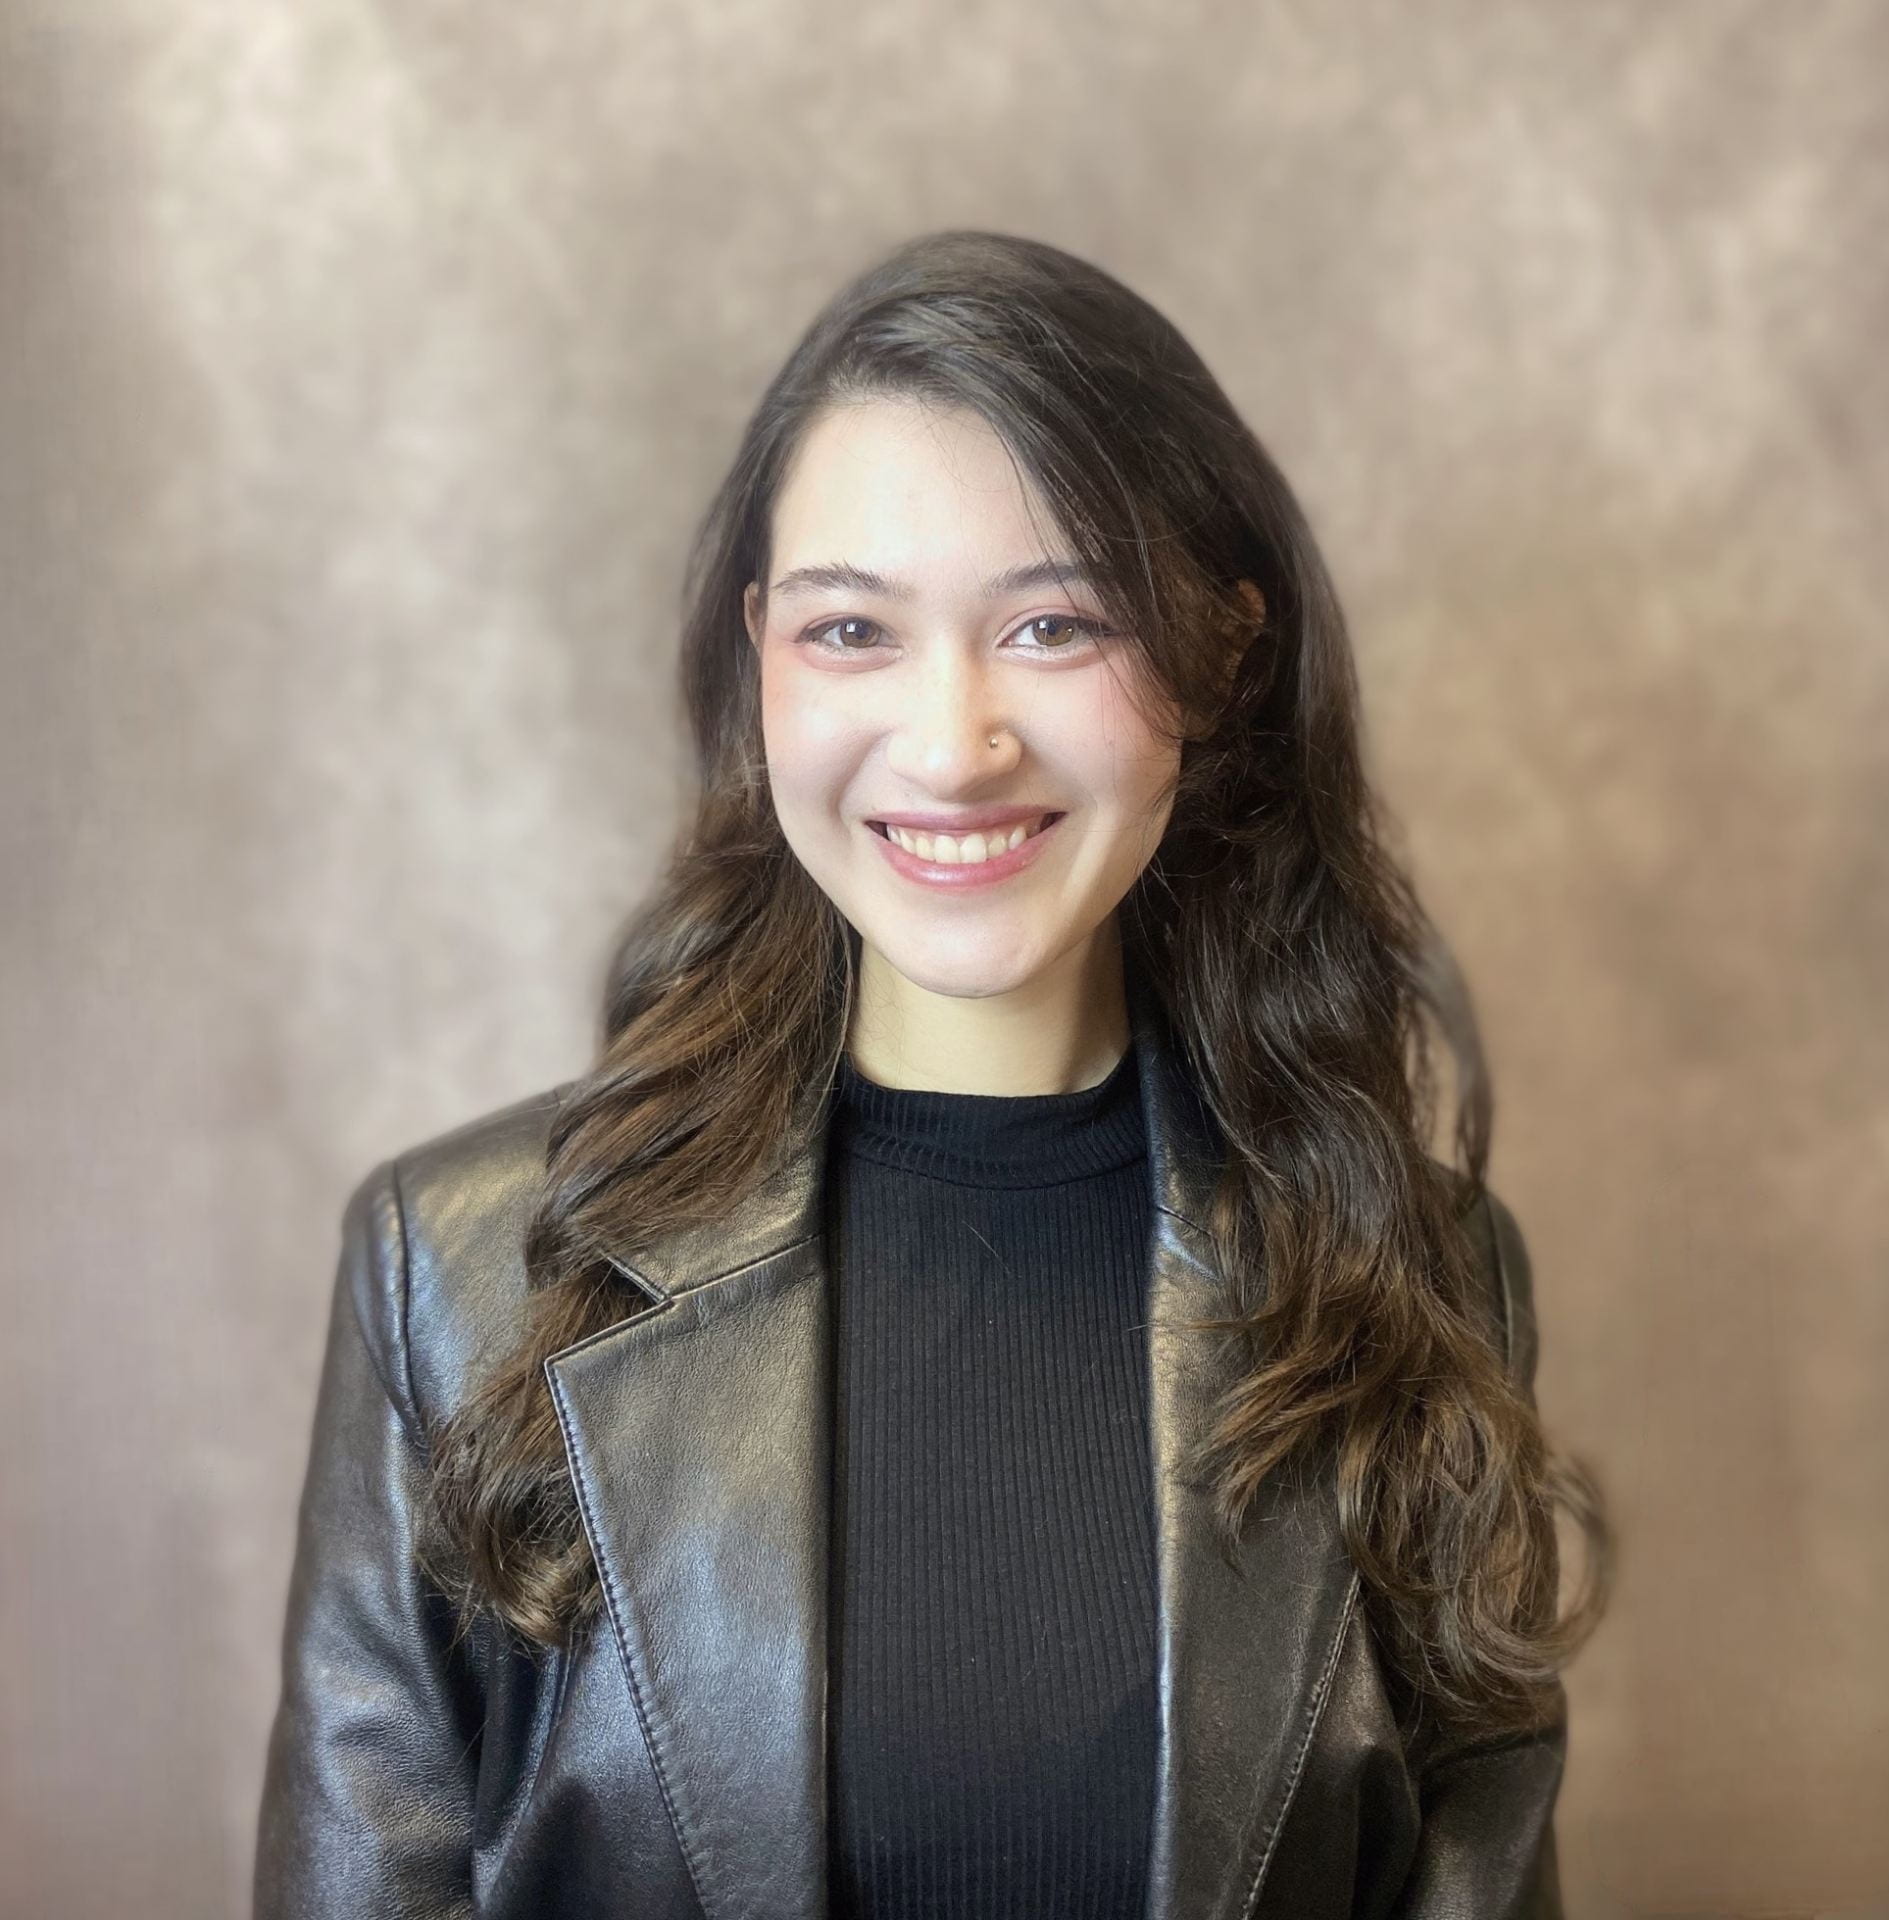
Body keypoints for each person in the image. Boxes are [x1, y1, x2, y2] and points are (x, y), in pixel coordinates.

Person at [253, 229, 1610, 1920]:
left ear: (1225, 656)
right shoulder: (447, 1273)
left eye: (1054, 624)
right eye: (850, 632)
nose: (953, 741)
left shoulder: (1424, 1281)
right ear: (758, 661)